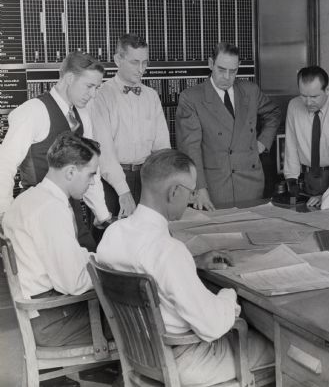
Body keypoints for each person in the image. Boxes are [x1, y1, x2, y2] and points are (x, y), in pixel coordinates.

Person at [96, 149, 273, 386]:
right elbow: (212, 326)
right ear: (174, 192)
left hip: (139, 352)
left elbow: (149, 264)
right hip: (186, 361)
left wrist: (193, 262)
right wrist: (229, 294)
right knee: (281, 348)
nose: (191, 200)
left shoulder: (113, 234)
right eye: (190, 192)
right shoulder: (169, 251)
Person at [0, 51, 110, 251]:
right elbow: (4, 166)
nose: (93, 94)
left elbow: (91, 170)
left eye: (97, 87)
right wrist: (5, 218)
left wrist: (103, 215)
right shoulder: (32, 111)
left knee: (90, 268)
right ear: (69, 79)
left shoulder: (83, 115)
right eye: (89, 86)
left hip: (74, 215)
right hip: (39, 216)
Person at [3, 132, 103, 347]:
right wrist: (113, 272)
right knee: (142, 318)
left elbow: (66, 258)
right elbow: (73, 284)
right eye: (91, 175)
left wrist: (96, 258)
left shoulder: (27, 199)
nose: (93, 182)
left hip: (40, 315)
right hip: (54, 322)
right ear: (70, 172)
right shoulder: (51, 210)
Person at [175, 42, 281, 210]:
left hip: (250, 184)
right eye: (221, 70)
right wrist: (199, 188)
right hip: (215, 186)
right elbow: (190, 149)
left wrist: (262, 143)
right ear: (211, 64)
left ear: (239, 67)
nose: (227, 77)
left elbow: (273, 114)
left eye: (233, 71)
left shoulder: (250, 91)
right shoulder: (191, 98)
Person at [91, 34, 170, 222]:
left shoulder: (151, 96)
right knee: (112, 241)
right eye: (135, 62)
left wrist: (164, 183)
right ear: (118, 59)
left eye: (145, 63)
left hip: (147, 178)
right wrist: (123, 191)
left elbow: (162, 147)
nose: (141, 70)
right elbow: (104, 151)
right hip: (112, 182)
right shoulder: (101, 96)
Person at [284, 66, 329, 207]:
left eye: (314, 97)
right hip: (307, 178)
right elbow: (291, 144)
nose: (308, 102)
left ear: (327, 90)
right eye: (303, 95)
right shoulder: (294, 106)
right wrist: (292, 180)